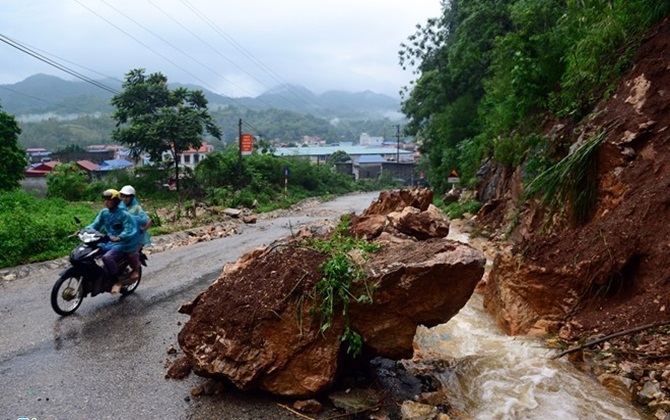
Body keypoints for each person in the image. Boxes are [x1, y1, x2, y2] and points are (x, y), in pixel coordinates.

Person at [86, 189, 139, 294]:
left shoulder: (124, 214)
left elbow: (129, 228)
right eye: (104, 199)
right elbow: (95, 225)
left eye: (109, 199)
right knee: (90, 254)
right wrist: (84, 231)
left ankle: (116, 281)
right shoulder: (104, 212)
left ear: (116, 201)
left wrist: (120, 237)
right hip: (108, 241)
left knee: (107, 257)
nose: (106, 202)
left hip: (121, 243)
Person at [119, 185, 151, 281]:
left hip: (137, 238)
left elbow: (148, 220)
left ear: (132, 197)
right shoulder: (120, 207)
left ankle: (135, 270)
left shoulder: (136, 208)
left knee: (132, 253)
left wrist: (143, 229)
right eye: (123, 196)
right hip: (124, 235)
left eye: (127, 196)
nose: (124, 198)